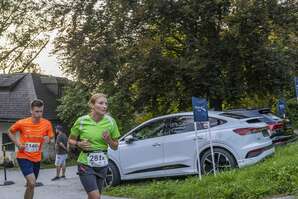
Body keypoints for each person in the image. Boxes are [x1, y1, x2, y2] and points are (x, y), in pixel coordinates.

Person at [68, 93, 120, 199]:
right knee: (95, 196)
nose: (104, 106)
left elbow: (115, 146)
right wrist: (78, 143)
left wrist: (109, 140)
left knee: (93, 197)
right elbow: (70, 140)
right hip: (85, 164)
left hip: (102, 164)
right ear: (92, 105)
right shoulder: (82, 121)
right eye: (101, 103)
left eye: (106, 104)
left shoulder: (111, 122)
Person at [8, 99, 54, 199]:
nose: (39, 114)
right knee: (32, 183)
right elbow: (10, 131)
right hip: (23, 156)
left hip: (36, 158)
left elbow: (51, 139)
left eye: (41, 111)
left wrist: (49, 140)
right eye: (37, 111)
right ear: (31, 111)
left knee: (31, 186)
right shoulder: (22, 123)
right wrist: (18, 143)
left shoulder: (47, 124)